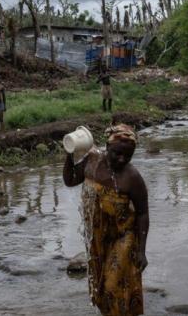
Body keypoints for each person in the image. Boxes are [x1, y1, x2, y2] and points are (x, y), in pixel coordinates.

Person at [63, 122, 149, 316]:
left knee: (112, 285)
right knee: (101, 288)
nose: (122, 159)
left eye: (128, 155)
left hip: (123, 237)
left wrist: (142, 251)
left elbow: (143, 213)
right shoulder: (92, 162)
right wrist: (69, 153)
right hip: (97, 238)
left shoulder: (132, 177)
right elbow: (70, 180)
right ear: (107, 147)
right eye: (117, 153)